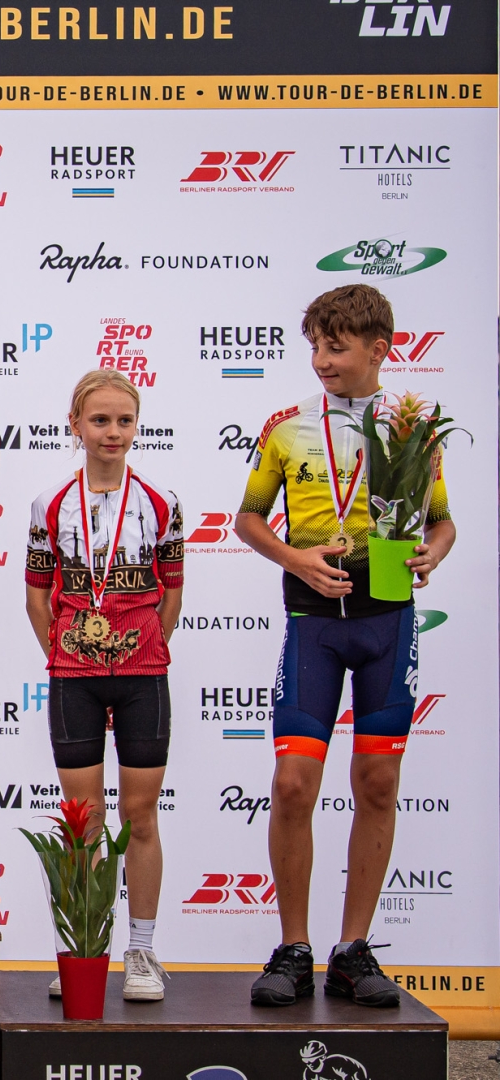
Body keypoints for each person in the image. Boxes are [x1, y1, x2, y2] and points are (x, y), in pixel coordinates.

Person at [235, 284, 455, 1008]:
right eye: (315, 348)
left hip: (386, 618)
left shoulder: (414, 427)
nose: (321, 361)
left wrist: (431, 553)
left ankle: (352, 950)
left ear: (378, 350)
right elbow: (247, 519)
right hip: (314, 623)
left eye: (335, 347)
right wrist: (295, 559)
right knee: (293, 784)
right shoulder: (286, 426)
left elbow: (442, 522)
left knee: (378, 783)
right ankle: (293, 947)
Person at [24, 370, 183, 1001]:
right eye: (99, 420)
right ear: (75, 425)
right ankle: (86, 948)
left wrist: (141, 647)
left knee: (140, 815)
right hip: (75, 680)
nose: (112, 432)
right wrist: (70, 655)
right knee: (83, 821)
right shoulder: (49, 504)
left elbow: (171, 593)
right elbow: (38, 597)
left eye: (123, 420)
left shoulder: (163, 500)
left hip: (143, 675)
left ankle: (141, 951)